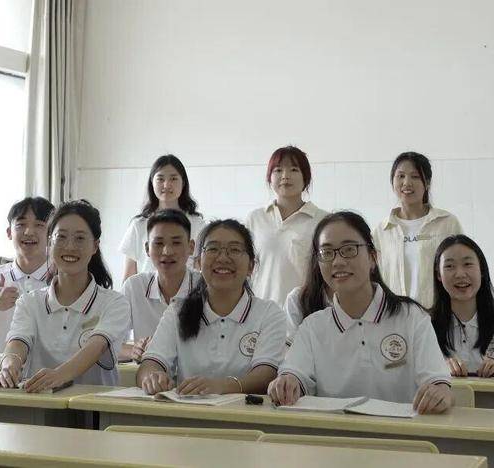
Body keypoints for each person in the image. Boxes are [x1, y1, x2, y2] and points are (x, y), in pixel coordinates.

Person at [268, 211, 452, 414]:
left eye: (349, 249)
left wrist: (440, 391)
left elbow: (438, 382)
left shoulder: (411, 316)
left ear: (373, 257)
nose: (337, 261)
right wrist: (286, 382)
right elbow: (294, 374)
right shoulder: (313, 327)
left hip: (401, 432)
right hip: (335, 432)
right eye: (327, 253)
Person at [137, 219, 286, 396]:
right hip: (188, 411)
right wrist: (152, 378)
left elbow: (266, 375)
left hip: (245, 413)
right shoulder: (177, 310)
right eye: (213, 249)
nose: (222, 258)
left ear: (251, 266)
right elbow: (150, 364)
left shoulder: (268, 313)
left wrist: (222, 386)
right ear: (198, 263)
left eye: (234, 250)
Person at [0, 200, 130, 392]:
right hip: (39, 403)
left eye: (80, 238)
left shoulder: (114, 303)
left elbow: (97, 346)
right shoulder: (29, 302)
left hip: (94, 406)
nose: (70, 247)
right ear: (50, 242)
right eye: (61, 237)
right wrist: (10, 365)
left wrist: (59, 375)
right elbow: (18, 341)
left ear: (95, 246)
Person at [373, 152, 462, 308]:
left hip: (439, 313)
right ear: (392, 182)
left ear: (427, 183)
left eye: (415, 176)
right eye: (400, 176)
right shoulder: (381, 232)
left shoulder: (448, 223)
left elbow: (461, 268)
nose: (407, 183)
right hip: (395, 315)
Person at [245, 146, 327, 307]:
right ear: (270, 178)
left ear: (306, 177)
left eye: (294, 169)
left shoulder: (322, 220)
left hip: (306, 310)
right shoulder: (255, 218)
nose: (285, 176)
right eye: (278, 170)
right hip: (260, 311)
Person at [0, 197, 55, 351]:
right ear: (9, 232)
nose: (29, 232)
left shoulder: (63, 280)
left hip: (51, 366)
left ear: (51, 233)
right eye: (21, 225)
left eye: (39, 225)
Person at [120, 209, 199, 361]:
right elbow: (108, 342)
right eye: (158, 243)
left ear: (191, 247)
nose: (167, 251)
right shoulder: (134, 287)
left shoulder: (205, 287)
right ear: (147, 249)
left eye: (176, 243)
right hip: (149, 373)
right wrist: (134, 350)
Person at [119, 154, 205, 282]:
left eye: (173, 179)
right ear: (152, 183)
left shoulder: (198, 224)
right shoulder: (139, 225)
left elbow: (201, 269)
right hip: (146, 293)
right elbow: (129, 275)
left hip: (187, 292)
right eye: (160, 179)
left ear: (183, 183)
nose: (166, 185)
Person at [430, 235, 494, 377]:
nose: (460, 274)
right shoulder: (425, 325)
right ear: (439, 275)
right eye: (449, 266)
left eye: (467, 264)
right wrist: (437, 368)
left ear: (482, 270)